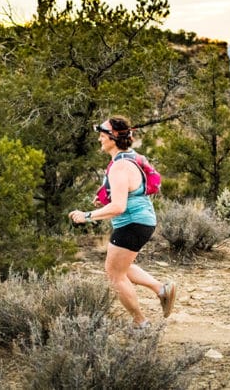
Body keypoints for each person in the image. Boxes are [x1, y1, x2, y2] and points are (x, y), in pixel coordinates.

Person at [69, 116, 177, 328]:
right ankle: (161, 289)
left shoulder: (120, 166)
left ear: (114, 138)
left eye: (102, 136)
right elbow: (127, 192)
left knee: (114, 275)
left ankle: (140, 322)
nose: (100, 140)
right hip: (139, 221)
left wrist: (87, 215)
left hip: (132, 223)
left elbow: (119, 206)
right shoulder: (129, 157)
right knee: (120, 268)